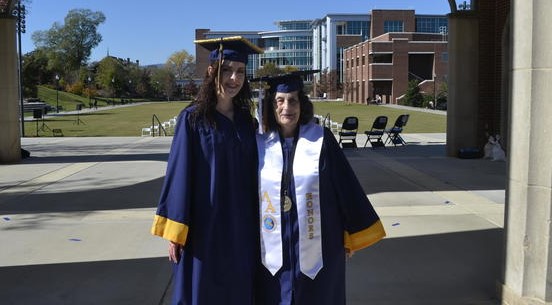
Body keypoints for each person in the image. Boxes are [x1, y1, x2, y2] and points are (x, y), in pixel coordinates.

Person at [253, 71, 386, 305]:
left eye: (293, 100)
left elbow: (345, 186)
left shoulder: (321, 140)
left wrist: (349, 233)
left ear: (302, 105)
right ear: (271, 107)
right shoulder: (259, 144)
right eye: (280, 101)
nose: (287, 107)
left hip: (321, 246)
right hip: (272, 248)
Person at [150, 36, 263, 305]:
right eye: (227, 70)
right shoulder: (193, 119)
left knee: (239, 289)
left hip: (242, 226)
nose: (234, 78)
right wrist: (176, 231)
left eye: (240, 71)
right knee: (203, 291)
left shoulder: (248, 122)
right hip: (205, 229)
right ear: (212, 71)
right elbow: (179, 174)